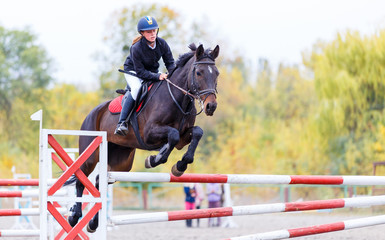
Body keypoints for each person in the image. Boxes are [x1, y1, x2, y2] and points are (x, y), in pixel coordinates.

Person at [115, 16, 176, 136]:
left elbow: (170, 63)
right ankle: (122, 123)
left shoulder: (162, 43)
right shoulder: (136, 48)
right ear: (142, 33)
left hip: (151, 71)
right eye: (149, 32)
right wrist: (158, 76)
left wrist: (173, 76)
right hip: (133, 72)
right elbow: (141, 73)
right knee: (137, 88)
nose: (153, 34)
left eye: (154, 30)